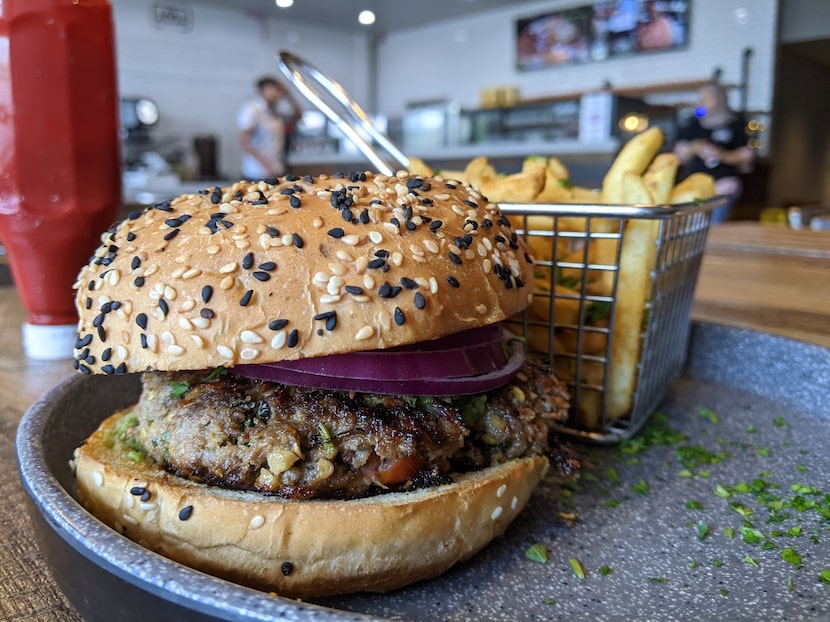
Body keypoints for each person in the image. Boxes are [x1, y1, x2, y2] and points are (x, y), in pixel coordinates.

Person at [674, 82, 754, 223]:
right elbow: (679, 156)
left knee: (715, 225)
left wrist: (721, 155)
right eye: (701, 98)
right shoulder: (693, 124)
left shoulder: (735, 124)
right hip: (697, 189)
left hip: (724, 188)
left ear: (721, 99)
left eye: (708, 98)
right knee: (696, 222)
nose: (702, 102)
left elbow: (745, 156)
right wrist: (694, 148)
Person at [238, 76, 301, 180]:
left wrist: (288, 95)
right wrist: (266, 167)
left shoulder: (275, 110)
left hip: (276, 170)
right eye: (274, 89)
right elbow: (245, 143)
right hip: (258, 174)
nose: (277, 92)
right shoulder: (253, 109)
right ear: (264, 90)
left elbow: (298, 115)